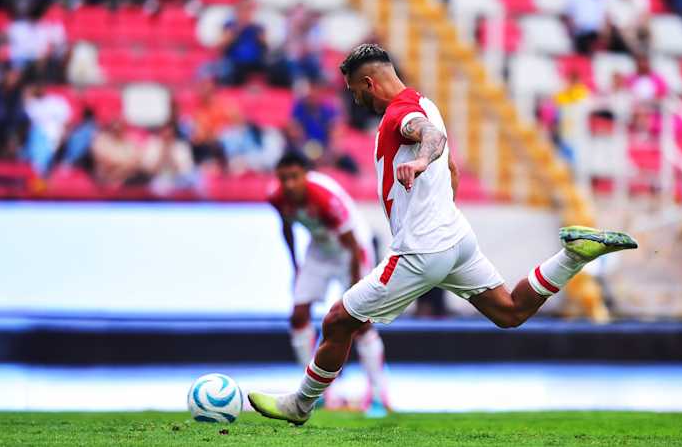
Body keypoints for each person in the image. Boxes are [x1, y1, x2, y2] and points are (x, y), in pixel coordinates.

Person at [248, 44, 638, 425]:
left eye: (353, 91)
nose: (355, 100)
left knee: (336, 322)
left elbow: (429, 138)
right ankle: (573, 256)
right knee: (510, 311)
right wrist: (438, 200)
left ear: (368, 83)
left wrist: (418, 161)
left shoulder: (399, 115)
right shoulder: (426, 102)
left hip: (421, 249)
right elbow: (450, 165)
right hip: (455, 237)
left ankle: (300, 404)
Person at [267, 151, 388, 417]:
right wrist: (296, 266)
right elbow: (286, 228)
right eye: (283, 178)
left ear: (305, 176)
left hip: (351, 252)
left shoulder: (324, 197)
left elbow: (353, 244)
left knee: (361, 323)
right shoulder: (276, 197)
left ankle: (380, 395)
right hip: (320, 250)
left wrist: (357, 287)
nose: (288, 184)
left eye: (294, 177)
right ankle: (316, 393)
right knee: (298, 315)